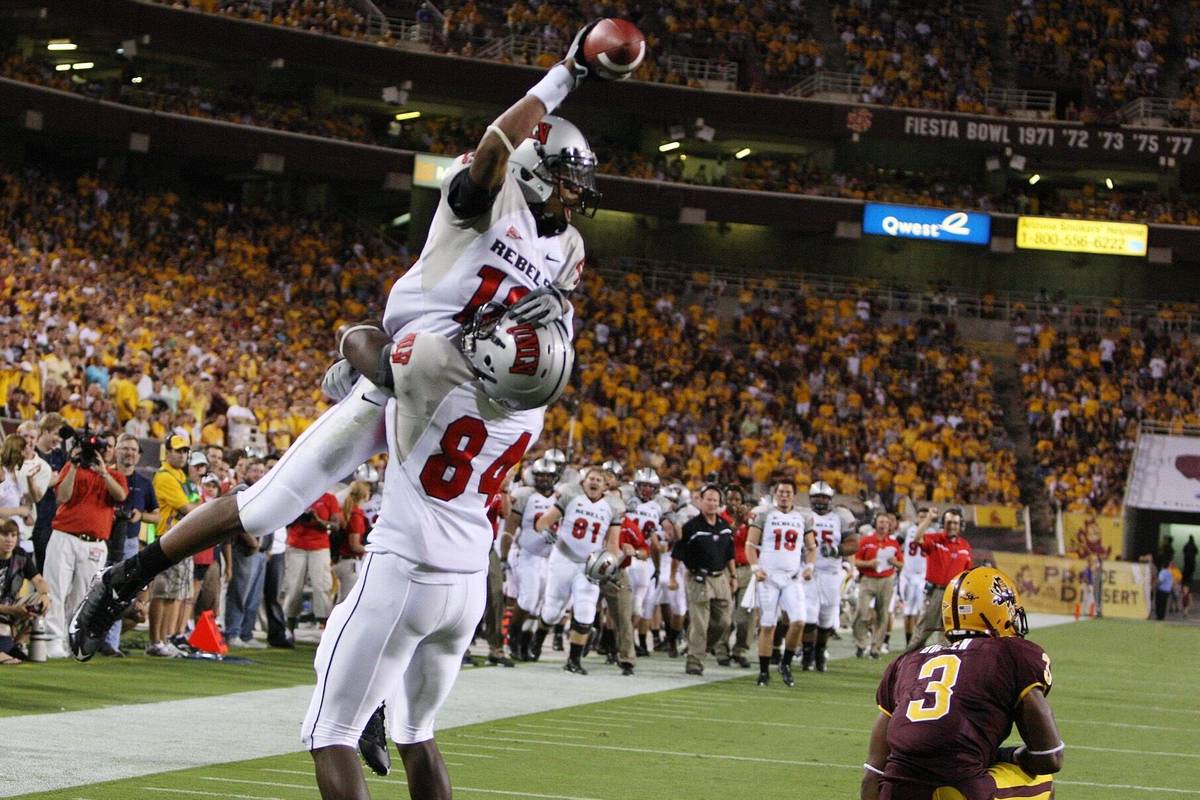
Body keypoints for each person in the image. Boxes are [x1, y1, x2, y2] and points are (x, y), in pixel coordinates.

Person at [68, 14, 613, 663]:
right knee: (266, 508)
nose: (575, 202)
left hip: (461, 391)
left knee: (432, 545)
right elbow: (497, 142)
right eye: (567, 185)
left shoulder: (567, 249)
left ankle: (379, 695)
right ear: (532, 170)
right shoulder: (488, 194)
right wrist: (568, 73)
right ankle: (124, 577)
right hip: (404, 370)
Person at [304, 304, 571, 800]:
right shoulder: (530, 417)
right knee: (417, 734)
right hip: (466, 584)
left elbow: (361, 343)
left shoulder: (431, 385)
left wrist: (355, 377)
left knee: (331, 733)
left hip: (406, 574)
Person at [861, 566, 1064, 800]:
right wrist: (1011, 755)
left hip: (897, 791)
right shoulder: (1011, 653)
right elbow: (1050, 757)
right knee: (1043, 782)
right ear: (999, 611)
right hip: (958, 789)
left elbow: (873, 773)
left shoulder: (906, 662)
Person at [44, 430, 126, 658]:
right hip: (65, 535)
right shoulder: (73, 468)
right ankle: (52, 640)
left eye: (107, 448)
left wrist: (103, 472)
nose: (102, 451)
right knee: (56, 589)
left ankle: (72, 641)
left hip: (94, 543)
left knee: (83, 595)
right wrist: (73, 462)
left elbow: (120, 496)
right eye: (101, 447)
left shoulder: (115, 475)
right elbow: (62, 496)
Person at [534, 466, 625, 674]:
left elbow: (612, 544)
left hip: (589, 566)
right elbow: (542, 522)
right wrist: (546, 531)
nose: (594, 483)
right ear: (583, 482)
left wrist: (611, 567)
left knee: (585, 610)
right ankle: (536, 642)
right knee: (552, 611)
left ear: (606, 485)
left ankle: (573, 660)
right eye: (591, 479)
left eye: (599, 480)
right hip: (563, 559)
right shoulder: (571, 496)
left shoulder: (613, 507)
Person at [746, 479, 813, 686]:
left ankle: (785, 662)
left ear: (794, 495)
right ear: (775, 494)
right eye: (781, 492)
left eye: (788, 492)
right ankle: (764, 672)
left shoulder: (803, 517)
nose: (784, 495)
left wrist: (810, 567)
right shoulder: (764, 514)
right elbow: (750, 544)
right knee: (768, 625)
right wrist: (756, 569)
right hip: (768, 577)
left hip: (793, 577)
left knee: (800, 621)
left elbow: (811, 547)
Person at [101, 434, 159, 657]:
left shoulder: (144, 483)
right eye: (125, 448)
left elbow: (156, 516)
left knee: (122, 593)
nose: (129, 453)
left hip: (129, 542)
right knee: (96, 589)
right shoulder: (105, 475)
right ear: (116, 451)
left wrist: (139, 515)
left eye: (133, 450)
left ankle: (110, 643)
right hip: (103, 539)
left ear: (139, 455)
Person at [672, 484, 737, 677]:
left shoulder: (725, 527)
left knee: (724, 622)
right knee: (700, 622)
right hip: (697, 577)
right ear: (700, 501)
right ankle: (694, 661)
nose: (711, 503)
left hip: (720, 576)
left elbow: (729, 554)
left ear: (720, 503)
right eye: (708, 499)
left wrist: (733, 576)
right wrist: (672, 577)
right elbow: (677, 553)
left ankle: (700, 649)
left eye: (715, 500)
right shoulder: (691, 527)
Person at [145, 437, 201, 657]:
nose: (182, 455)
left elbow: (195, 503)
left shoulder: (180, 476)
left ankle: (165, 638)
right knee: (162, 592)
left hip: (179, 538)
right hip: (166, 538)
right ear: (166, 452)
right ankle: (155, 640)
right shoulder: (166, 477)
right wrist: (197, 505)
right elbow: (190, 507)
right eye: (178, 451)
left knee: (174, 594)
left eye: (185, 451)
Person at [503, 457, 559, 661]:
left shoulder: (561, 498)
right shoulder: (524, 495)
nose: (544, 479)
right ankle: (512, 639)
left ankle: (526, 642)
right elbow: (511, 527)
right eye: (541, 475)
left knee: (539, 604)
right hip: (526, 554)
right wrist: (504, 556)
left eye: (548, 475)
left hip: (549, 557)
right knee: (527, 599)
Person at [803, 480, 853, 672]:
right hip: (809, 571)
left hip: (831, 573)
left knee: (826, 619)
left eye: (824, 497)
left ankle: (820, 652)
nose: (821, 501)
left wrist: (837, 549)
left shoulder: (840, 517)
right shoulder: (803, 515)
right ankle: (807, 654)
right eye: (817, 497)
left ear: (830, 499)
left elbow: (854, 543)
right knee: (808, 617)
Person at [906, 508, 973, 652]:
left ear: (960, 524)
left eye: (955, 523)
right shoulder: (934, 539)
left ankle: (942, 668)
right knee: (923, 632)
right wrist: (929, 518)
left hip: (954, 595)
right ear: (943, 523)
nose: (952, 526)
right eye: (948, 522)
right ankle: (903, 665)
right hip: (935, 592)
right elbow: (917, 538)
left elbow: (967, 573)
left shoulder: (965, 546)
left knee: (948, 635)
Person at [283, 492, 340, 632]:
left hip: (319, 547)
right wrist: (298, 516)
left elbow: (336, 525)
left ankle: (325, 627)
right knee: (293, 587)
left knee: (322, 587)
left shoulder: (329, 498)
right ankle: (289, 627)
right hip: (296, 546)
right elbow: (283, 519)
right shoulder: (298, 495)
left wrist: (319, 520)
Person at [0, 519, 51, 663]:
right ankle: (5, 651)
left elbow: (39, 581)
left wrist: (45, 595)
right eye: (4, 535)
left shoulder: (20, 555)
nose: (9, 540)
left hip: (11, 606)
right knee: (2, 633)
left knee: (42, 602)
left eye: (13, 535)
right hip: (6, 610)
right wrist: (13, 611)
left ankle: (20, 642)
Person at [853, 512, 902, 659]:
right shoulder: (866, 540)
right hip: (868, 578)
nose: (883, 525)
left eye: (886, 523)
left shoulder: (893, 543)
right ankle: (861, 643)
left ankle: (876, 647)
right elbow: (856, 561)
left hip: (886, 579)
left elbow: (901, 564)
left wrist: (894, 562)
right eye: (880, 522)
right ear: (876, 523)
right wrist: (869, 564)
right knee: (862, 611)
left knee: (883, 614)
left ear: (889, 525)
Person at [897, 508, 930, 647]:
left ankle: (916, 642)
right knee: (908, 610)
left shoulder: (933, 532)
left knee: (919, 611)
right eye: (920, 516)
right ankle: (908, 642)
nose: (922, 519)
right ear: (917, 517)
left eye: (925, 517)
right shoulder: (907, 529)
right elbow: (895, 543)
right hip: (907, 574)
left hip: (923, 575)